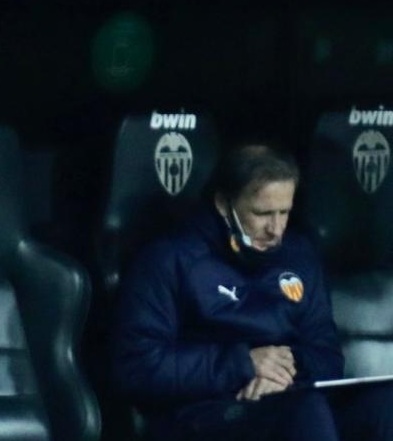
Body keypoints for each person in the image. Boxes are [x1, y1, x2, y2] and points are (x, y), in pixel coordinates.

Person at [112, 143, 393, 441]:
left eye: (284, 212)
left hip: (288, 397)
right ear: (224, 204)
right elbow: (137, 369)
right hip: (203, 410)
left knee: (384, 404)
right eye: (262, 213)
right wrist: (243, 365)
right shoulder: (169, 260)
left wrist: (283, 374)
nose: (276, 228)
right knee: (303, 410)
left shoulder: (300, 255)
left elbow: (326, 354)